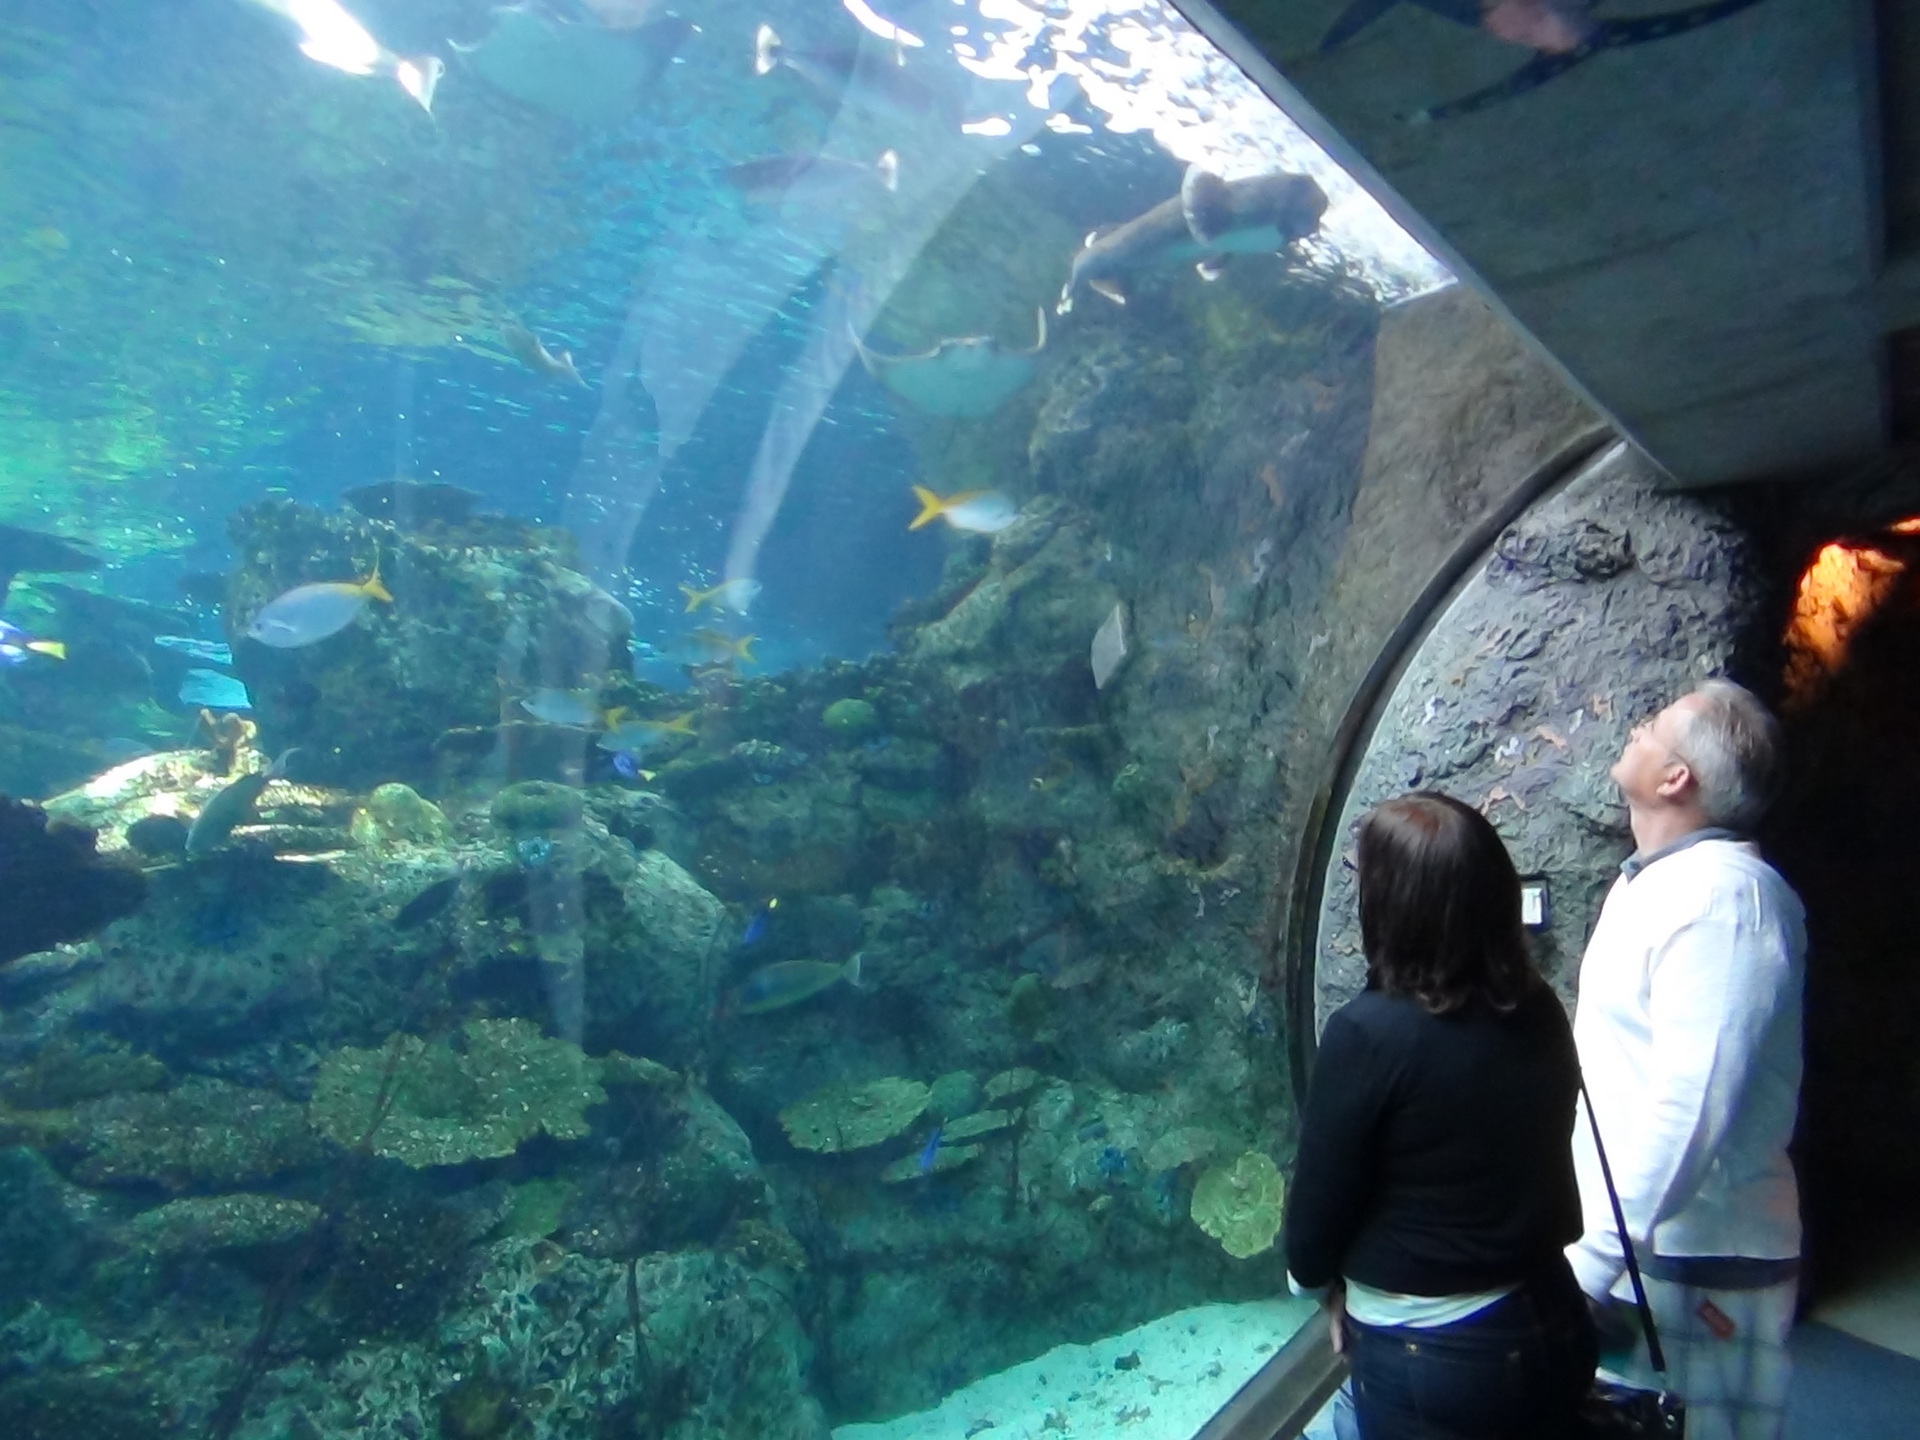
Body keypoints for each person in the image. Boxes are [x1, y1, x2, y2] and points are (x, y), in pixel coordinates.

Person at [1284, 791, 1597, 1440]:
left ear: (1390, 904)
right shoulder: (1536, 1006)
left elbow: (1313, 1229)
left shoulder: (1366, 1035)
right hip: (1551, 1315)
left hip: (1435, 1360)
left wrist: (1322, 1287)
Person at [1568, 680, 1807, 1440]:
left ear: (1677, 778)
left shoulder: (1725, 902)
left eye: (1652, 724)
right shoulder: (1657, 881)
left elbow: (1690, 1105)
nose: (1635, 727)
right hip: (1647, 1250)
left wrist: (1592, 1263)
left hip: (1700, 1259)